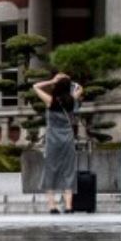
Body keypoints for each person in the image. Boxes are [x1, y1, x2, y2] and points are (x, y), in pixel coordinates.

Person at [34, 72, 84, 215]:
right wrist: (69, 81)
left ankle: (52, 206)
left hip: (53, 139)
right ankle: (69, 206)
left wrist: (51, 81)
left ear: (56, 86)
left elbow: (35, 86)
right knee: (68, 170)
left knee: (51, 169)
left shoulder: (50, 100)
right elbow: (80, 87)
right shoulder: (72, 100)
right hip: (67, 138)